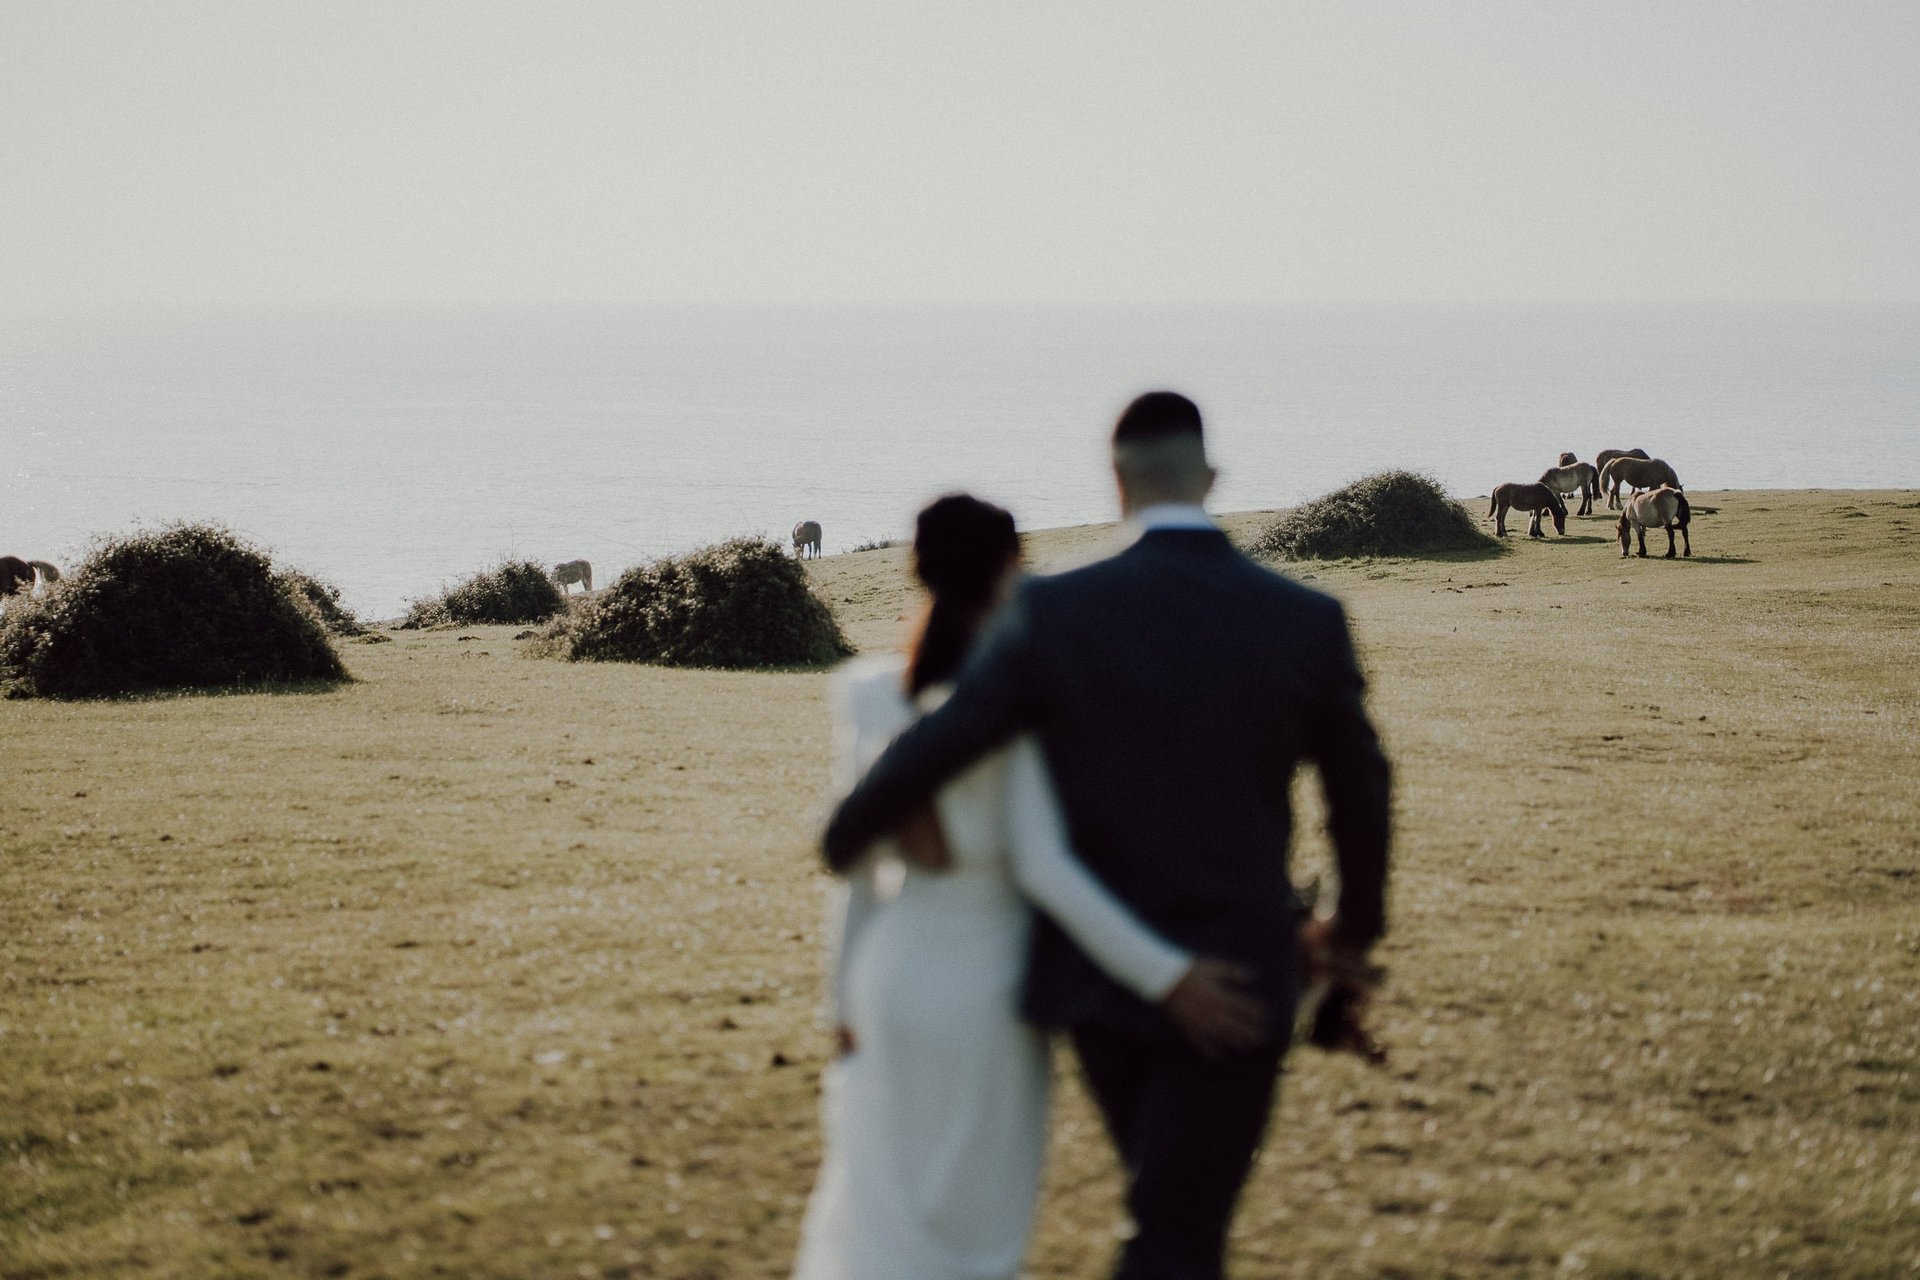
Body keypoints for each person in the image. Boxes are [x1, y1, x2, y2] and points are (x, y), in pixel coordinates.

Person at [821, 392, 1393, 1280]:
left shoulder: (1054, 611)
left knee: (1163, 1207)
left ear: (1117, 484)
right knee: (1177, 1235)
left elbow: (931, 749)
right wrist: (1348, 935)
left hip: (1095, 987)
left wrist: (857, 832)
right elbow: (1360, 793)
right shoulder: (1304, 616)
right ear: (1210, 478)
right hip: (1236, 975)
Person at [793, 494, 1268, 1280]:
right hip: (987, 993)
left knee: (884, 1212)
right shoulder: (1022, 703)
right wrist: (1168, 974)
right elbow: (1047, 869)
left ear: (917, 570)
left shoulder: (871, 693)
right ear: (1012, 569)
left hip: (890, 982)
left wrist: (839, 1001)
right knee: (976, 1234)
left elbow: (861, 880)